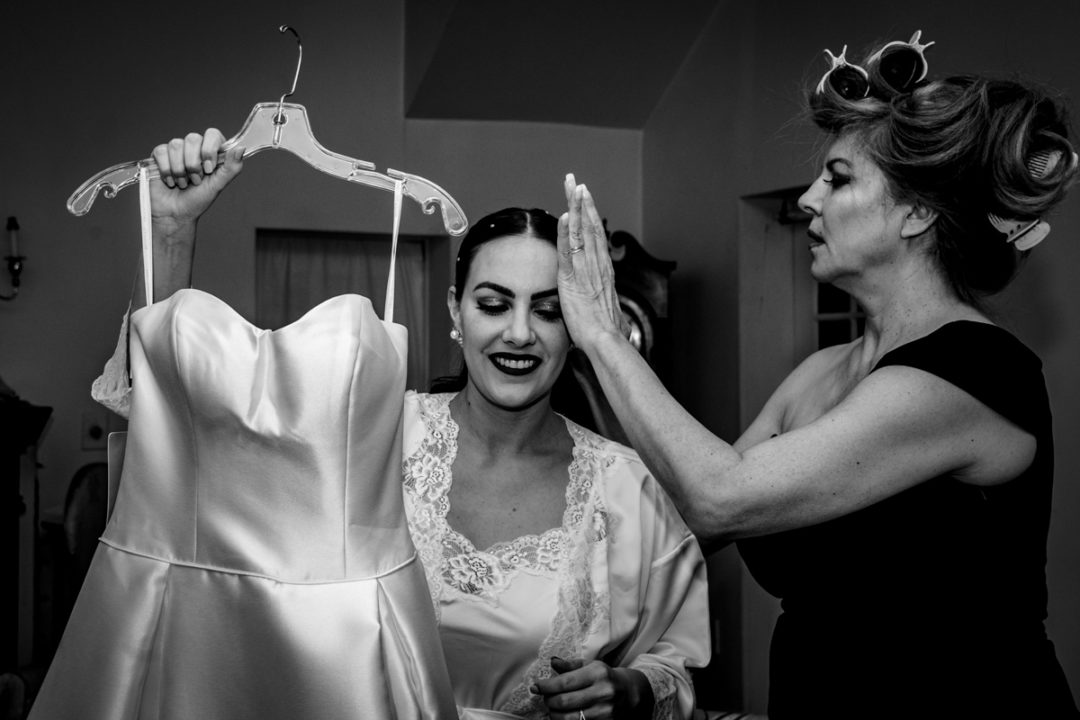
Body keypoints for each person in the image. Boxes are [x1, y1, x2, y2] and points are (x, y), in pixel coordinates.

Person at [57, 129, 710, 720]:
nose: (519, 333)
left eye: (547, 310)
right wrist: (172, 234)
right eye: (493, 303)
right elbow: (185, 442)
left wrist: (631, 689)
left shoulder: (628, 491)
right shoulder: (360, 436)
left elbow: (675, 666)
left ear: (579, 324)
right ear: (456, 311)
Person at [554, 31, 1079, 718]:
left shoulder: (973, 372)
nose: (806, 198)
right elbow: (689, 517)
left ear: (918, 211)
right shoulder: (820, 372)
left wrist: (601, 334)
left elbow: (722, 494)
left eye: (837, 179)